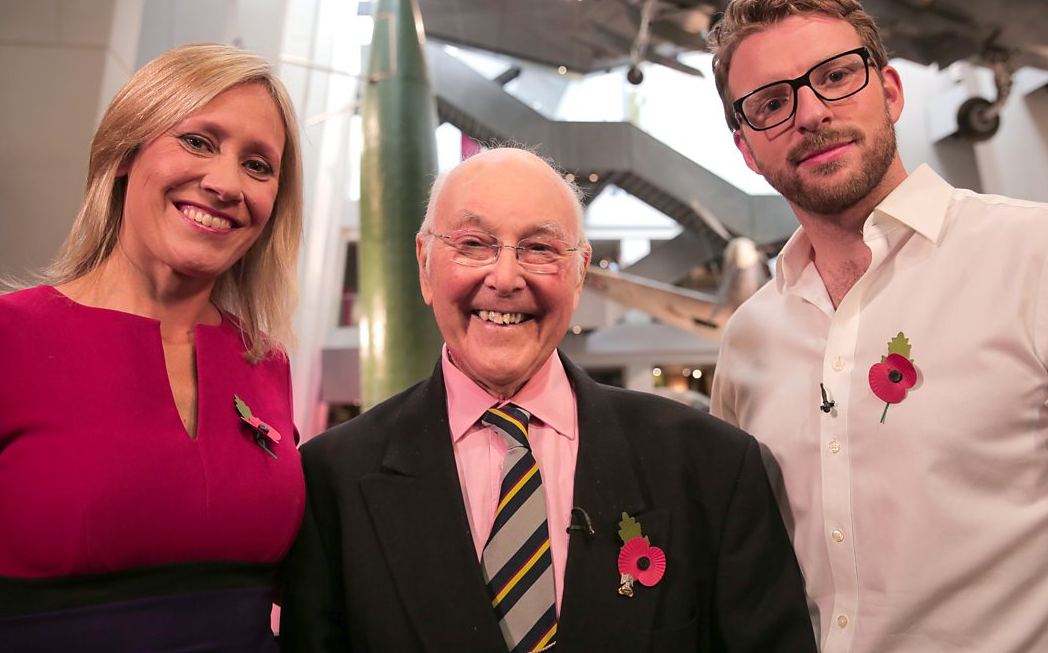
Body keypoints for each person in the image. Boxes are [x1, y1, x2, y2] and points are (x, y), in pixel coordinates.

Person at [707, 0, 1048, 650]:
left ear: (890, 92)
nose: (810, 113)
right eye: (772, 103)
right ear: (747, 150)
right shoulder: (749, 338)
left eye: (835, 76)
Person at [280, 147, 816, 653]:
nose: (505, 278)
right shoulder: (332, 483)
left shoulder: (713, 467)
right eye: (473, 244)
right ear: (425, 265)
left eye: (539, 249)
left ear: (580, 273)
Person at [0, 43, 306, 652]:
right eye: (198, 141)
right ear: (126, 152)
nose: (226, 183)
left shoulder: (266, 364)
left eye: (258, 165)